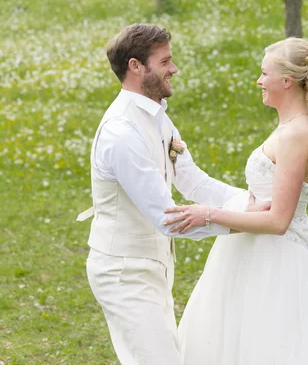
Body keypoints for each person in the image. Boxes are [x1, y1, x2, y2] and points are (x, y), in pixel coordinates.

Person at [165, 37, 308, 364]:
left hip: (277, 260)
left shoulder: (296, 136)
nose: (259, 81)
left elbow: (279, 221)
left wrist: (209, 214)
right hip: (252, 252)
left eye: (265, 74)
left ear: (286, 81)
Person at [78, 23, 264, 365]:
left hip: (155, 266)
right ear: (136, 66)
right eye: (165, 62)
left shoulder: (158, 118)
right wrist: (247, 222)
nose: (174, 69)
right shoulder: (122, 133)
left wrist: (250, 201)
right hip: (124, 272)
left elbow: (194, 182)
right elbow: (169, 219)